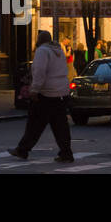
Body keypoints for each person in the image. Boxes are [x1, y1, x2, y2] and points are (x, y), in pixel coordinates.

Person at [7, 29, 74, 163]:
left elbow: (39, 72)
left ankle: (22, 150)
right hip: (61, 92)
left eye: (37, 38)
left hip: (46, 93)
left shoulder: (42, 51)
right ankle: (66, 153)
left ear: (40, 40)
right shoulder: (59, 51)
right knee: (60, 125)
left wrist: (34, 90)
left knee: (34, 124)